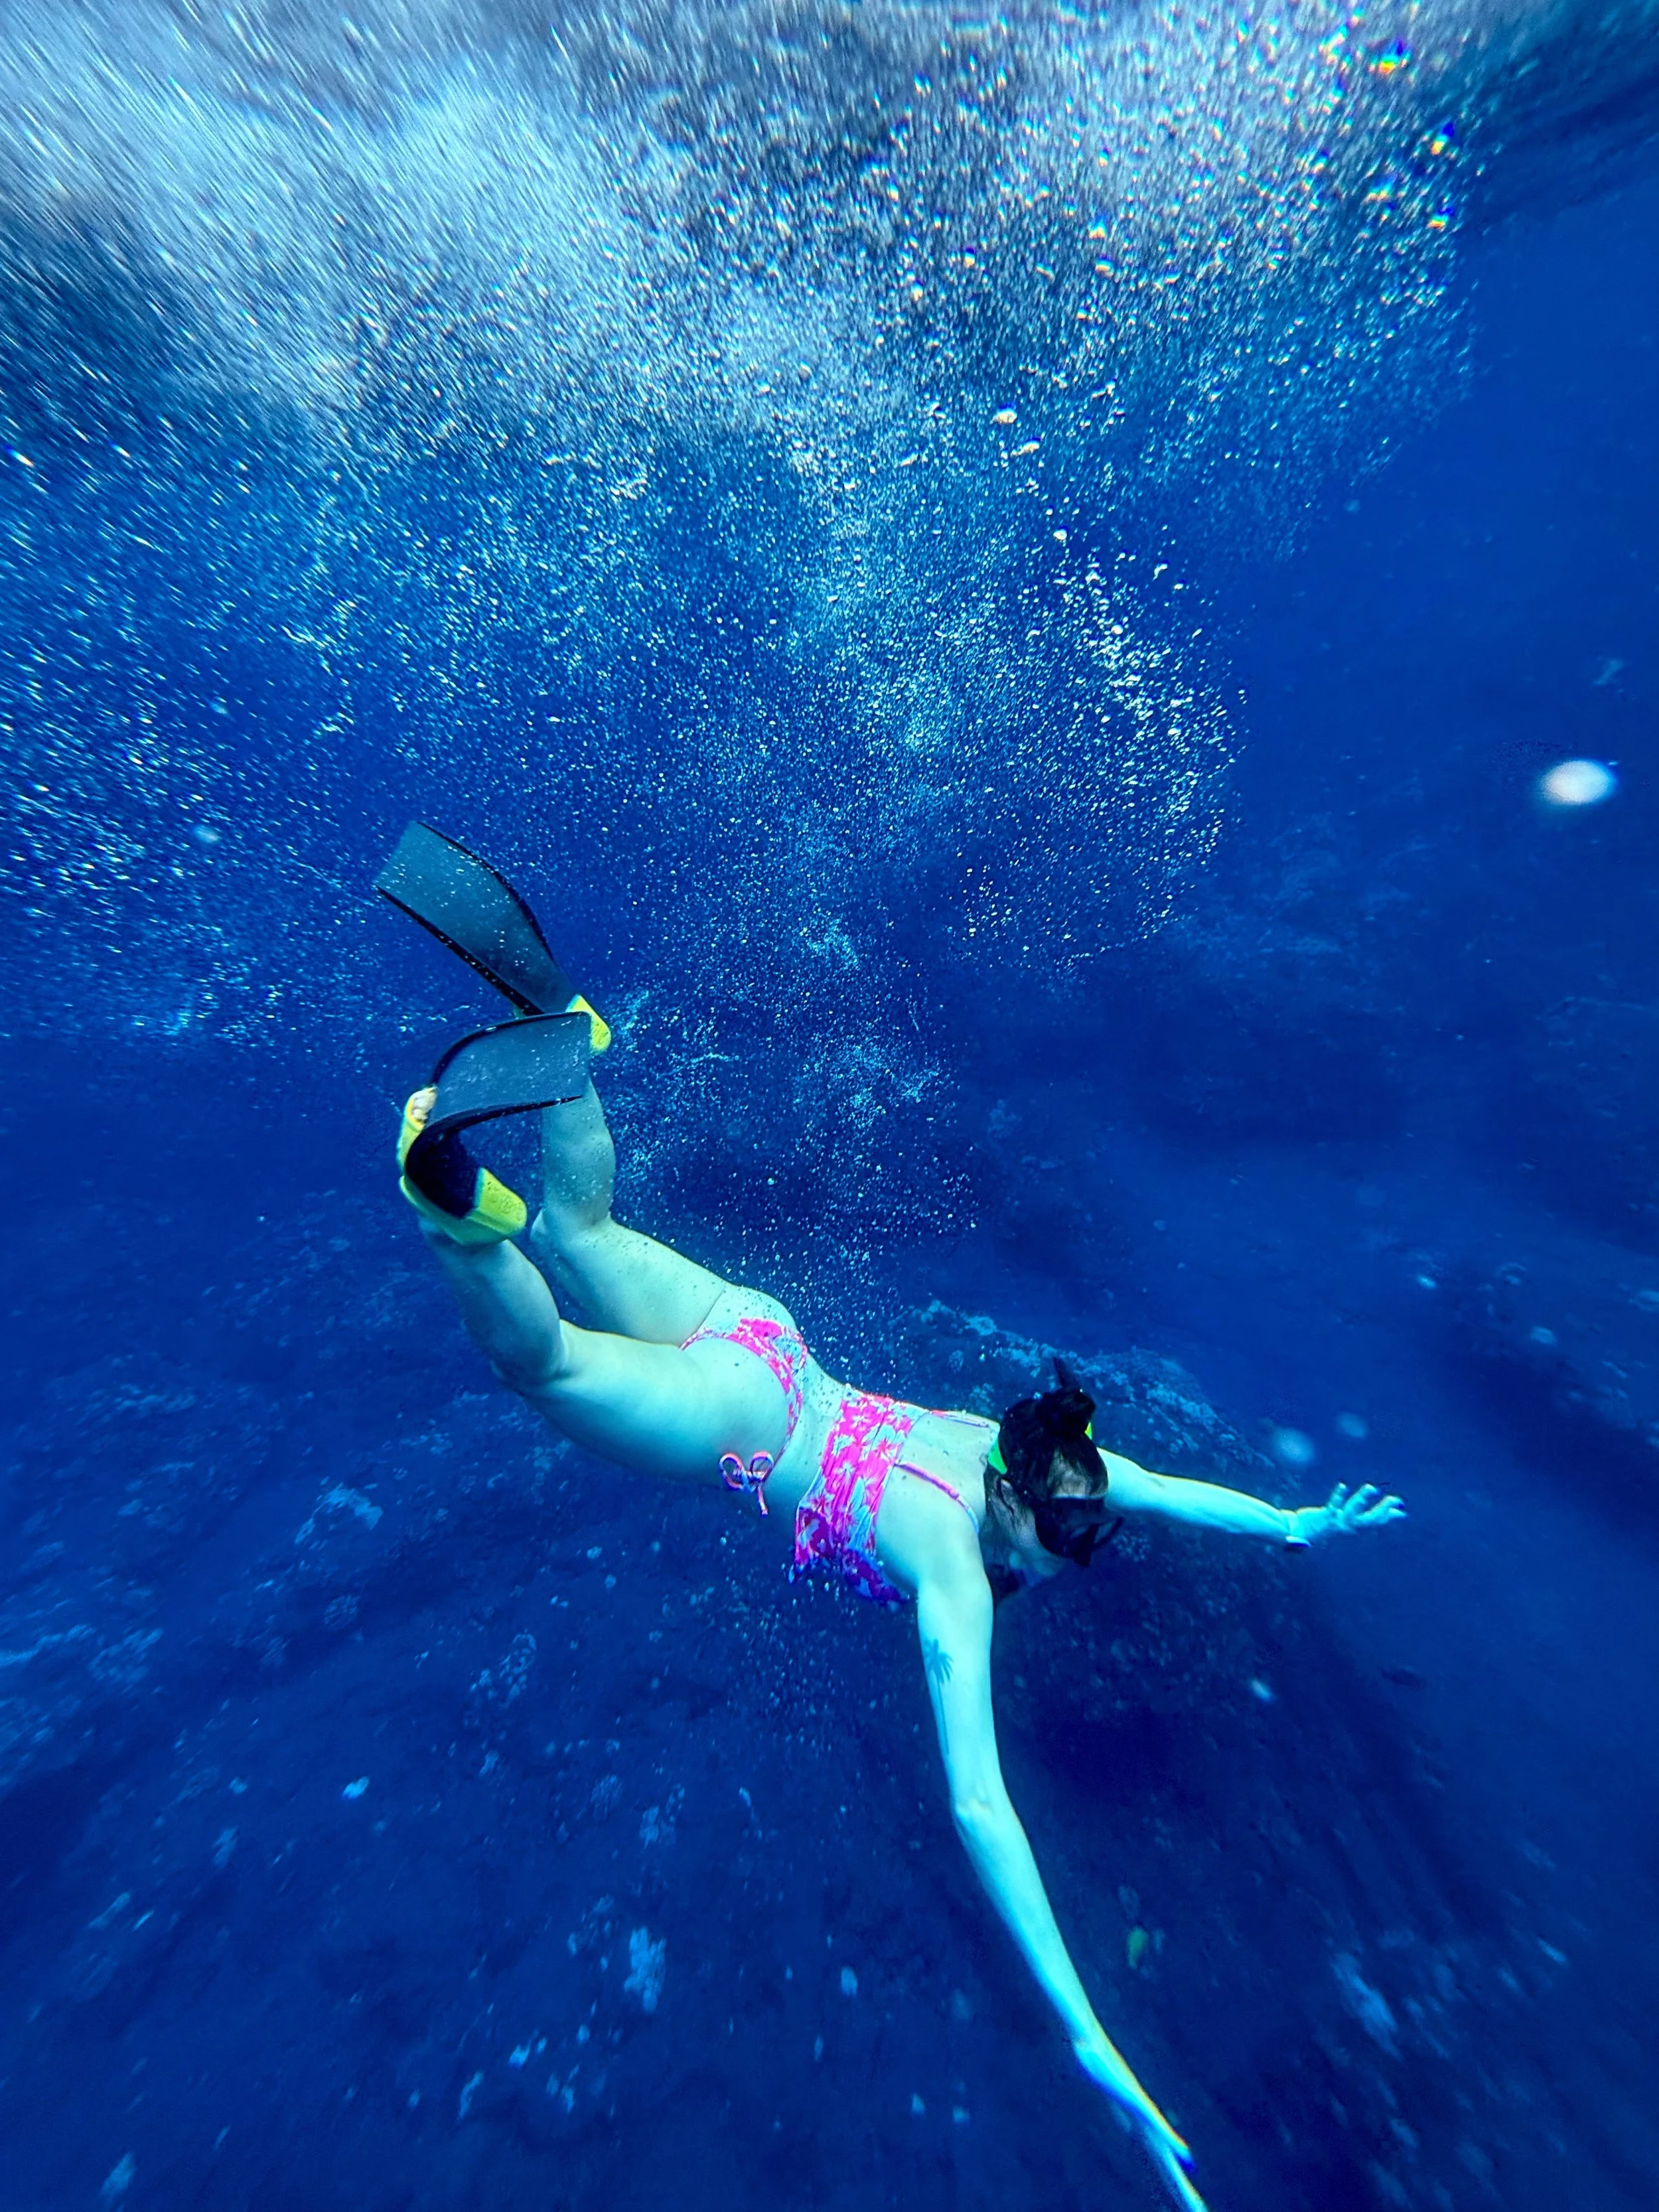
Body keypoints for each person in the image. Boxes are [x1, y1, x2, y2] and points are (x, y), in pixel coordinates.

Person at [396, 1053, 1404, 2212]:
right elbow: (980, 1805)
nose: (1073, 1555)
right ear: (1013, 1505)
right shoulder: (953, 1566)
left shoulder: (1037, 1458)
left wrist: (1293, 1525)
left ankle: (560, 1046)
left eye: (1088, 1533)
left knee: (579, 1232)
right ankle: (451, 1215)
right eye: (1063, 1539)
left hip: (768, 1342)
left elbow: (1170, 1491)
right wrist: (1086, 2032)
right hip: (754, 1421)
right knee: (543, 1364)